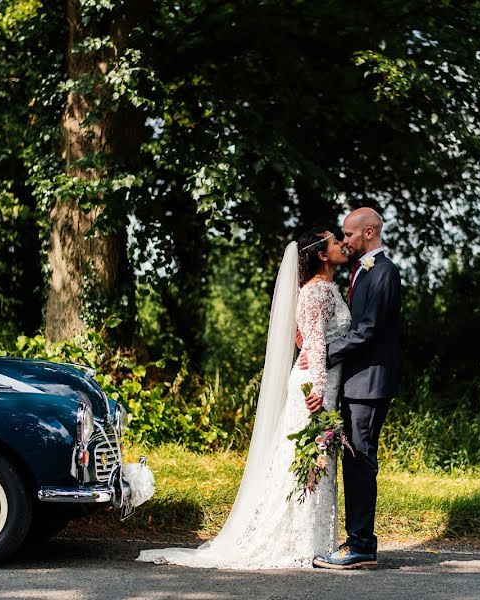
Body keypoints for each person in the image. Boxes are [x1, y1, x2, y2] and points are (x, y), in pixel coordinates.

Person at [136, 228, 350, 569]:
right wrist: (321, 390)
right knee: (308, 460)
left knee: (314, 461)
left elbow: (310, 340)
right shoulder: (316, 291)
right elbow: (315, 345)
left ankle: (314, 541)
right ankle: (300, 543)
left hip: (321, 381)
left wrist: (315, 358)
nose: (342, 244)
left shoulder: (325, 289)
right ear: (322, 254)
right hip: (313, 388)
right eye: (335, 241)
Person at [305, 207, 402, 570]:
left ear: (369, 233)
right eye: (342, 236)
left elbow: (369, 329)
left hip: (370, 383)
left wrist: (324, 353)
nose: (344, 241)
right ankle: (359, 540)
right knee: (355, 458)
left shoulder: (385, 273)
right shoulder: (363, 272)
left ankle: (362, 545)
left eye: (348, 234)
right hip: (357, 381)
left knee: (360, 461)